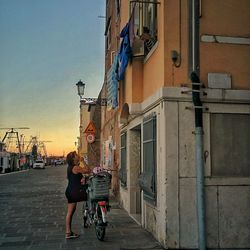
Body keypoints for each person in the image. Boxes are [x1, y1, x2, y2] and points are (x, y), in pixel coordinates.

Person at [65, 151, 91, 239]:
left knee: (70, 212)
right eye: (76, 155)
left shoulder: (70, 167)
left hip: (71, 191)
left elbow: (75, 178)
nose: (78, 156)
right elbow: (88, 170)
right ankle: (90, 212)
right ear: (73, 159)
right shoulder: (75, 167)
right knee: (91, 192)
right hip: (74, 192)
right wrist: (83, 161)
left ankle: (68, 232)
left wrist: (82, 178)